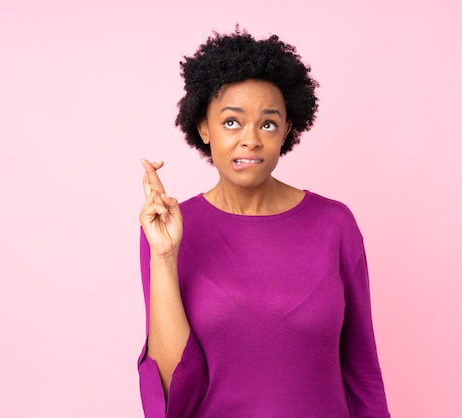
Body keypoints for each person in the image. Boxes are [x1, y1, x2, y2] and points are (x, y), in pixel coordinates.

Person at [138, 28, 390, 418]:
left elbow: (362, 370)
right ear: (204, 128)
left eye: (268, 124)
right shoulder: (169, 230)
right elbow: (173, 393)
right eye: (231, 123)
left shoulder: (334, 225)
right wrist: (164, 256)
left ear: (288, 130)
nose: (250, 140)